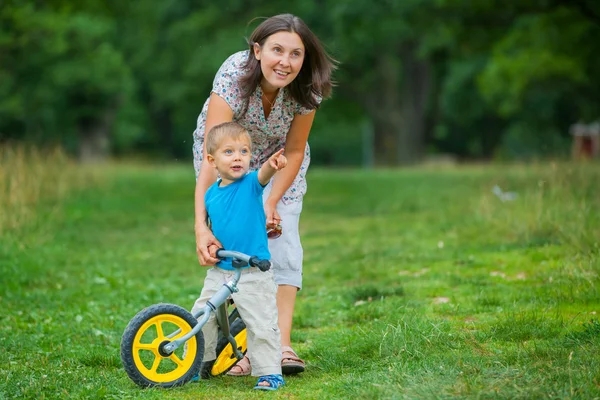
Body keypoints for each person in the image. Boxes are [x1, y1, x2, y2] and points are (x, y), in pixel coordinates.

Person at [192, 13, 336, 376]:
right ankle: (240, 343)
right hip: (228, 159)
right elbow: (215, 151)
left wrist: (270, 203)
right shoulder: (234, 75)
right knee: (237, 247)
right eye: (276, 50)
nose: (285, 62)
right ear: (257, 50)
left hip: (280, 164)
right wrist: (201, 225)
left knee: (282, 240)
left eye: (296, 54)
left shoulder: (308, 88)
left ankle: (279, 345)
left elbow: (296, 149)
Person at [191, 121, 288, 391]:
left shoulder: (250, 184)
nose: (238, 157)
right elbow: (213, 232)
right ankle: (200, 363)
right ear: (211, 160)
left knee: (260, 322)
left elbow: (264, 175)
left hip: (253, 270)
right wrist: (211, 247)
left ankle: (269, 372)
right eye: (229, 152)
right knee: (202, 314)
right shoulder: (210, 195)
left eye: (244, 152)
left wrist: (272, 164)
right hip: (221, 269)